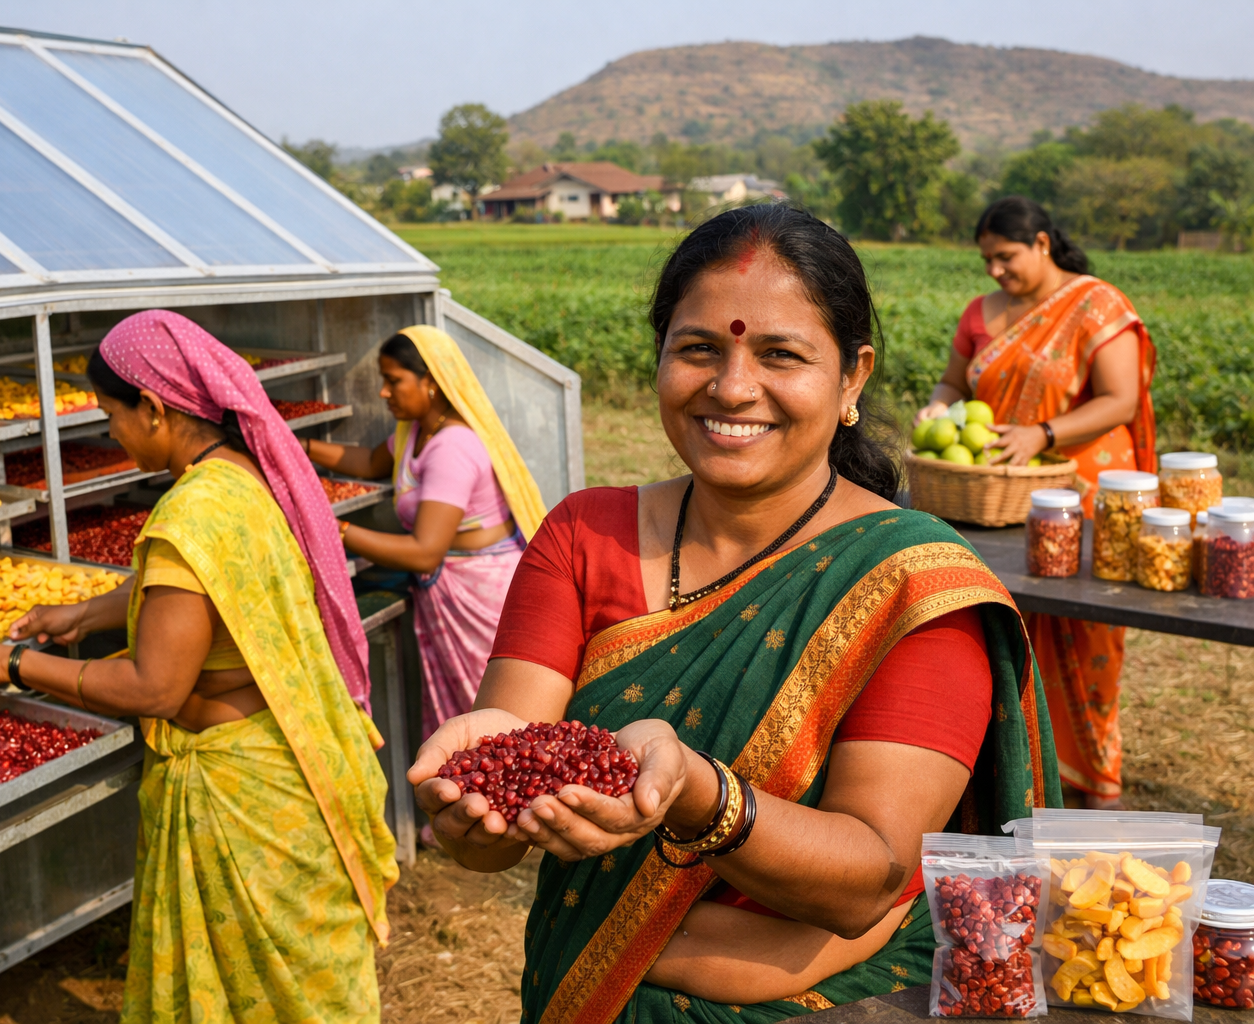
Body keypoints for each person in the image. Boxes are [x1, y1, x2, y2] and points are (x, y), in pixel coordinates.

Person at [408, 205, 1060, 1023]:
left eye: (780, 354)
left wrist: (695, 791)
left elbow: (873, 878)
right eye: (698, 350)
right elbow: (505, 789)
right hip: (583, 988)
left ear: (852, 376)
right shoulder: (583, 535)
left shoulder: (907, 582)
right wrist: (471, 807)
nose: (732, 387)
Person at [0, 310, 397, 1024]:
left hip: (239, 797)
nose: (108, 430)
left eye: (111, 412)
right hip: (285, 760)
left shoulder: (187, 514)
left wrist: (14, 664)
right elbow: (208, 588)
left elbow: (156, 687)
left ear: (155, 408)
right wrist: (80, 615)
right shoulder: (242, 476)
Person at [915, 196, 1157, 809]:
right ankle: (1013, 777)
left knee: (1085, 632)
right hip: (997, 491)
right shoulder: (980, 312)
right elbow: (954, 379)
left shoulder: (1096, 304)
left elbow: (1120, 400)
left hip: (1082, 489)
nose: (995, 271)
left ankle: (1091, 783)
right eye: (986, 260)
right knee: (1002, 624)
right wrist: (939, 406)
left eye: (1006, 256)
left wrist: (1042, 434)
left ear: (1043, 243)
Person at [303, 325, 546, 740]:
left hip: (480, 593)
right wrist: (298, 449)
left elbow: (423, 552)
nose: (383, 392)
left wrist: (331, 527)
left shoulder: (451, 448)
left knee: (499, 729)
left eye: (393, 381)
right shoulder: (417, 432)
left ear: (430, 382)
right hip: (452, 591)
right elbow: (369, 463)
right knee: (474, 725)